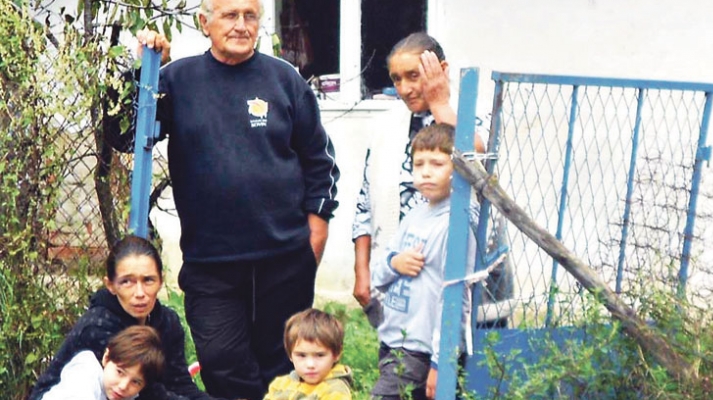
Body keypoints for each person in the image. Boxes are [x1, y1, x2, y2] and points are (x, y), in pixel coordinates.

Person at [132, 0, 341, 398]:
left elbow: (320, 162)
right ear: (204, 22)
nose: (242, 25)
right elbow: (124, 134)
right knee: (220, 360)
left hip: (284, 260)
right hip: (211, 263)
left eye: (250, 16)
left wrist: (315, 236)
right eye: (230, 15)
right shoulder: (177, 80)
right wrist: (145, 72)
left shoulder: (284, 79)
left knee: (284, 366)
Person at [353, 32, 511, 329]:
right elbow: (364, 202)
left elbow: (475, 156)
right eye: (397, 79)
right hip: (407, 277)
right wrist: (362, 270)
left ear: (441, 69)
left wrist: (440, 104)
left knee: (473, 356)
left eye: (414, 76)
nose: (405, 88)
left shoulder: (474, 111)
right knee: (406, 354)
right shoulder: (387, 126)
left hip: (469, 276)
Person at [31, 235, 212, 400]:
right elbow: (148, 394)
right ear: (110, 285)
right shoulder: (98, 326)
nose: (139, 293)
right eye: (126, 282)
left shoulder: (167, 322)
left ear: (161, 281)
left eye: (148, 280)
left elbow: (179, 384)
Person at [371, 123, 475, 400]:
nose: (426, 172)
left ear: (458, 169)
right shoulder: (415, 214)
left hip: (421, 350)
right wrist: (395, 263)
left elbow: (455, 299)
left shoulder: (455, 224)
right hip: (393, 341)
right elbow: (377, 276)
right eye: (419, 164)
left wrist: (441, 363)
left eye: (437, 163)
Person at [42, 325, 166, 400]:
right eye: (120, 372)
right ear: (106, 358)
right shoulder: (85, 372)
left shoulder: (125, 396)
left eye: (135, 382)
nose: (123, 386)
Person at [263, 309, 353, 400]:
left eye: (320, 355)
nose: (310, 364)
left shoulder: (335, 391)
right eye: (301, 355)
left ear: (336, 354)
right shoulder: (280, 385)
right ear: (290, 354)